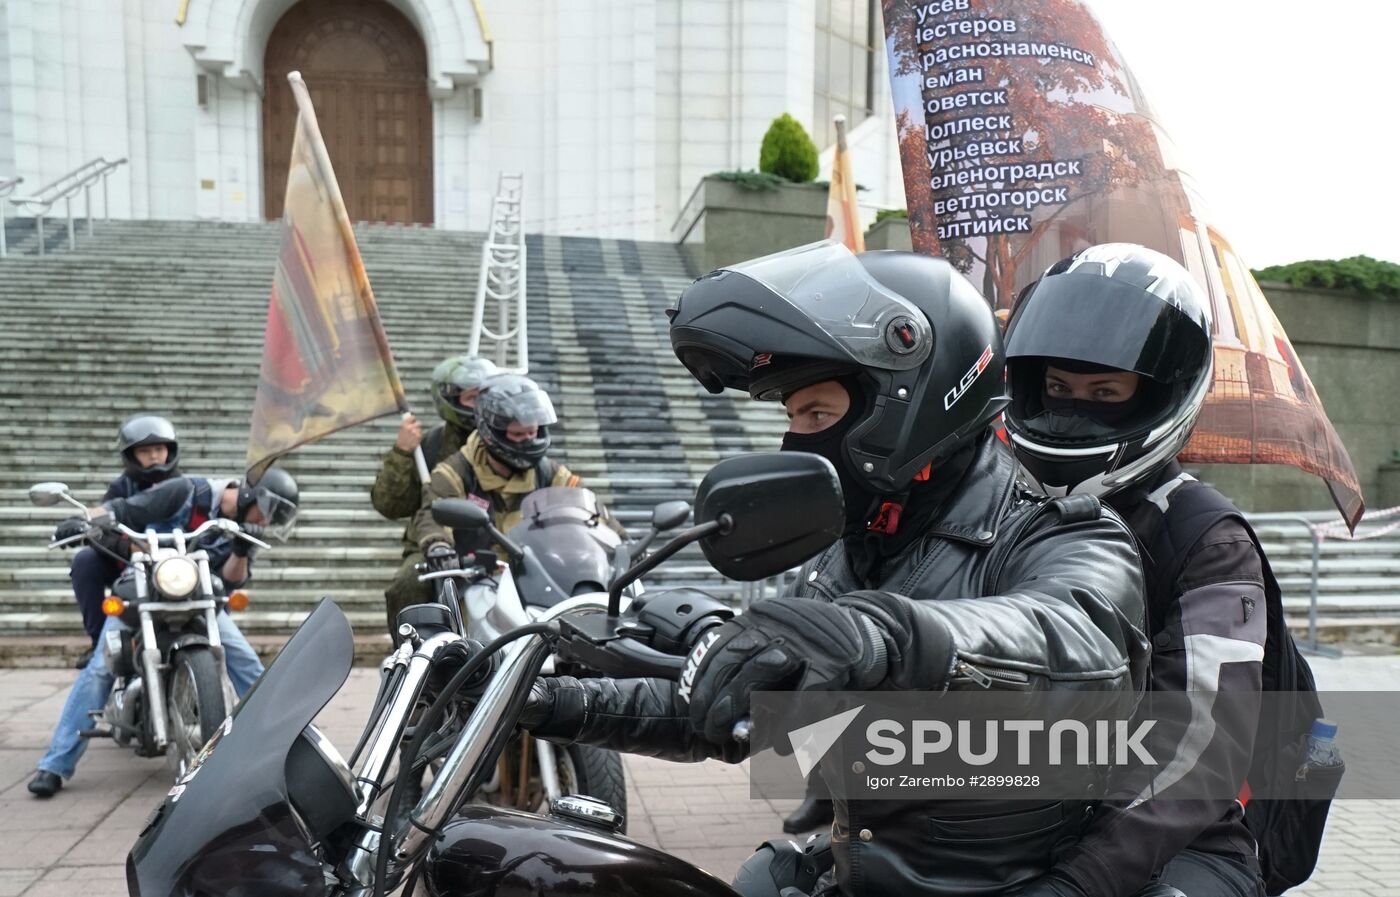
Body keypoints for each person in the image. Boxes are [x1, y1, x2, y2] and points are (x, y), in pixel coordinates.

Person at [521, 242, 1151, 896]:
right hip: (869, 872)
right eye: (792, 418)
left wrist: (884, 637)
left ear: (909, 401)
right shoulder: (849, 554)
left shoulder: (1061, 532)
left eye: (818, 414)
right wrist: (550, 699)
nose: (797, 442)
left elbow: (1078, 646)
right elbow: (750, 706)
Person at [1001, 243, 1268, 897]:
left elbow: (1207, 744)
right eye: (1058, 389)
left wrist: (1083, 880)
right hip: (1004, 820)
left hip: (1169, 837)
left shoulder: (1208, 539)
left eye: (1103, 393)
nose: (1071, 409)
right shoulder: (1000, 505)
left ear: (1158, 394)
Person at [28, 468, 300, 798]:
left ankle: (290, 744)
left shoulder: (246, 526)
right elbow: (124, 509)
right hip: (145, 587)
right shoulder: (185, 492)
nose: (267, 523)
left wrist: (241, 549)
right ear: (249, 496)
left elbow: (232, 579)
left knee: (245, 661)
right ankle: (54, 764)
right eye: (269, 513)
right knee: (101, 666)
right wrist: (84, 519)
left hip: (199, 596)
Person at [415, 373, 625, 574]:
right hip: (472, 574)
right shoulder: (454, 473)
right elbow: (433, 514)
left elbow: (590, 511)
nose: (528, 440)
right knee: (410, 582)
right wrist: (438, 546)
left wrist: (624, 543)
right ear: (490, 432)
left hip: (537, 575)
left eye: (532, 432)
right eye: (517, 434)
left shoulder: (551, 473)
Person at [372, 354, 499, 634]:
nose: (481, 405)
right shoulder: (430, 446)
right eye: (472, 397)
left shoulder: (507, 437)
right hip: (433, 541)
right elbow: (389, 505)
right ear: (450, 400)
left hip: (499, 537)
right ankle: (411, 659)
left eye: (485, 395)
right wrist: (402, 454)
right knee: (408, 584)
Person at [68, 416, 182, 657]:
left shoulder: (186, 487)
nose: (153, 456)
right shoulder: (120, 489)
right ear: (131, 455)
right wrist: (130, 548)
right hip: (130, 568)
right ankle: (99, 641)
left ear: (170, 451)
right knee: (85, 560)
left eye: (159, 449)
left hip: (179, 569)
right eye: (145, 451)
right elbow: (100, 534)